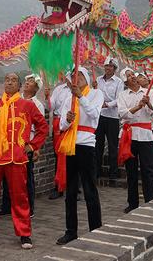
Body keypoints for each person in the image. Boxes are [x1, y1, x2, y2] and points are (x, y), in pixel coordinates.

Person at [0, 73, 48, 250]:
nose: (9, 82)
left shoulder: (27, 105)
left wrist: (33, 146)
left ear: (19, 86)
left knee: (19, 196)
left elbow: (43, 127)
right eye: (7, 79)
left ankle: (24, 234)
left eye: (13, 80)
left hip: (16, 157)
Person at [56, 67, 104, 246]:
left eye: (81, 75)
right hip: (71, 145)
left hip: (87, 145)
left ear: (86, 77)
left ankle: (96, 229)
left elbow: (94, 116)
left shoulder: (96, 94)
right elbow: (61, 126)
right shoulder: (68, 99)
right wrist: (67, 120)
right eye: (75, 76)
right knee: (70, 191)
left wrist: (81, 97)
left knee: (90, 189)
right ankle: (71, 231)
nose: (78, 78)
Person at [0, 73, 45, 218]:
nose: (27, 83)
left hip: (26, 144)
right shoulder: (15, 100)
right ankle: (7, 206)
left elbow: (40, 128)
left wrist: (35, 147)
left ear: (36, 88)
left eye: (31, 82)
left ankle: (29, 207)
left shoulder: (37, 105)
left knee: (27, 177)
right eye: (26, 81)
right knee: (7, 176)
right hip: (10, 144)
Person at [116, 69, 153, 213]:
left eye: (133, 75)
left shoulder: (148, 92)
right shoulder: (122, 95)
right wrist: (137, 107)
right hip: (129, 135)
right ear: (125, 81)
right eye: (129, 76)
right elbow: (122, 113)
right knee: (131, 171)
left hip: (146, 135)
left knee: (148, 169)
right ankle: (132, 202)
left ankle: (149, 200)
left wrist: (148, 104)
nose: (133, 77)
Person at [94, 56, 124, 180]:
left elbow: (119, 99)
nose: (108, 68)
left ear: (115, 68)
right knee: (98, 145)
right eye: (106, 66)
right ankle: (96, 171)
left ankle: (113, 171)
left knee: (112, 145)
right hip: (99, 115)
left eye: (111, 66)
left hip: (112, 116)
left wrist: (107, 104)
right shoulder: (98, 80)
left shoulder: (119, 82)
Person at [48, 75, 71, 199]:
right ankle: (58, 186)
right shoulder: (59, 89)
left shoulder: (79, 90)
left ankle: (74, 187)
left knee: (73, 156)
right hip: (59, 124)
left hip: (72, 124)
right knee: (58, 155)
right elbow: (51, 107)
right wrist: (47, 97)